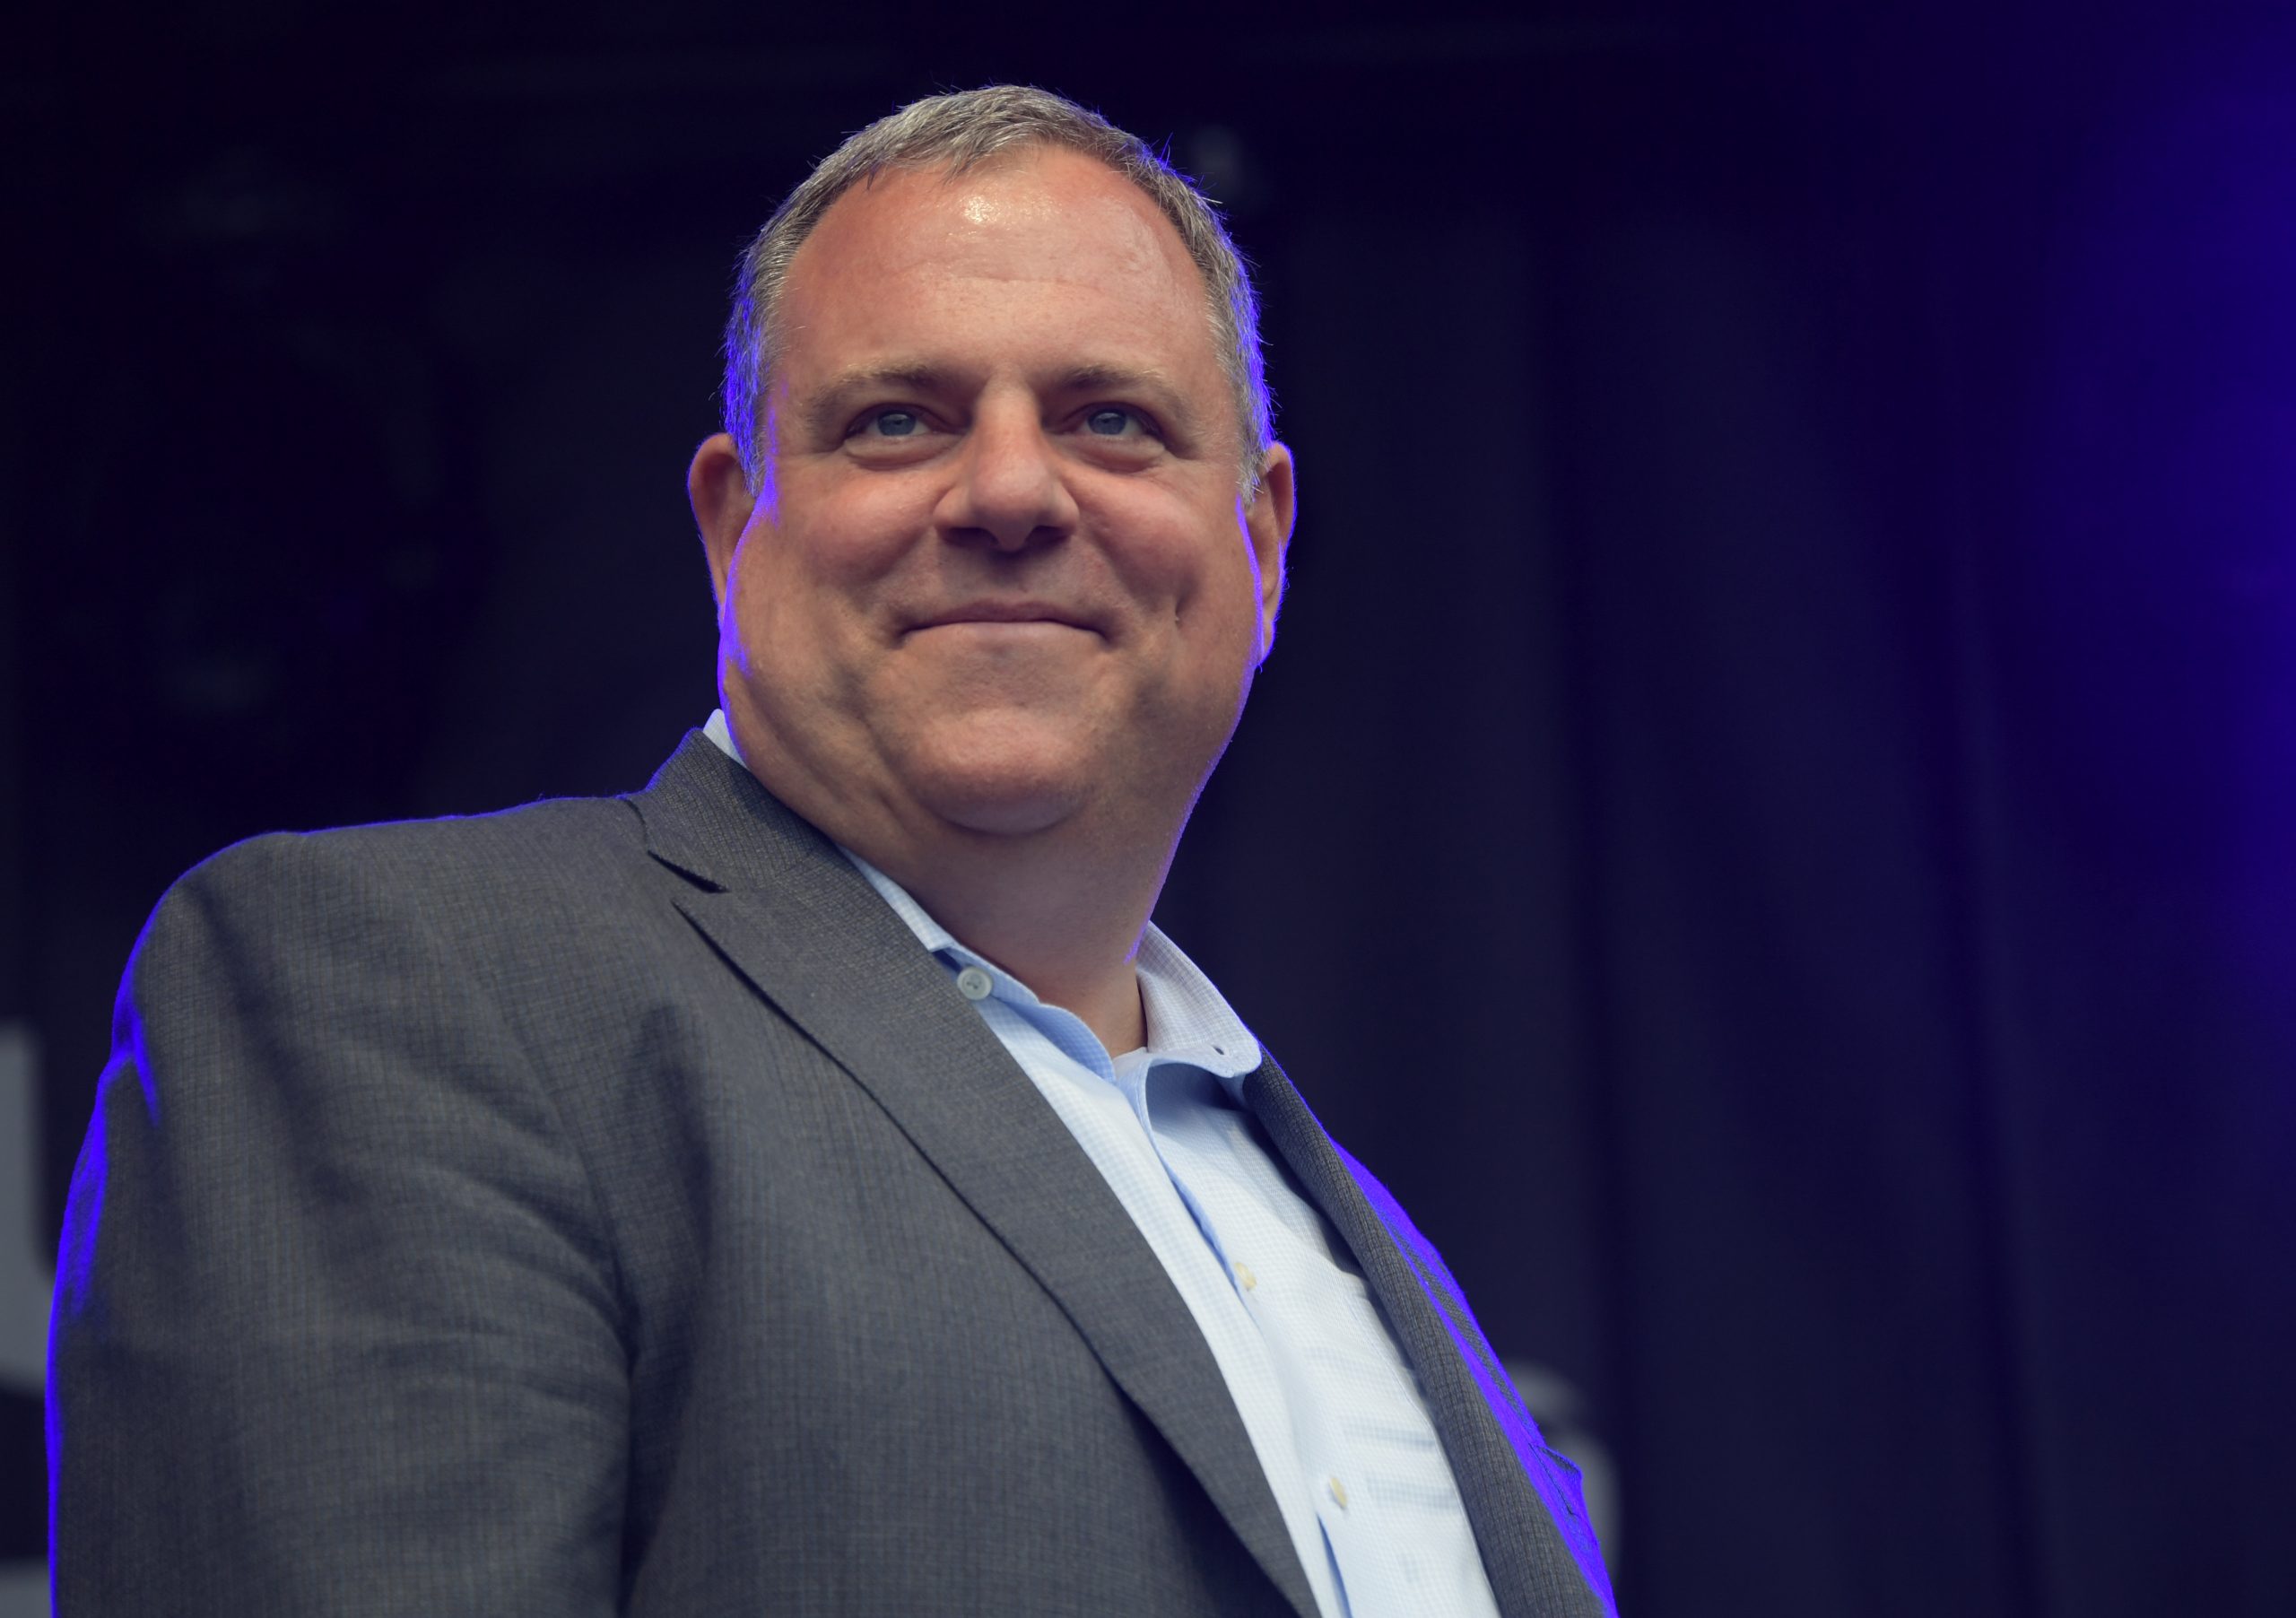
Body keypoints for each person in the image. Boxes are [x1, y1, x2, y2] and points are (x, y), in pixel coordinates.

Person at [48, 87, 1616, 1617]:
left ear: (1260, 546)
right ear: (738, 530)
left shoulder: (1349, 1239)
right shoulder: (401, 989)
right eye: (898, 420)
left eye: (1111, 420)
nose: (1009, 489)